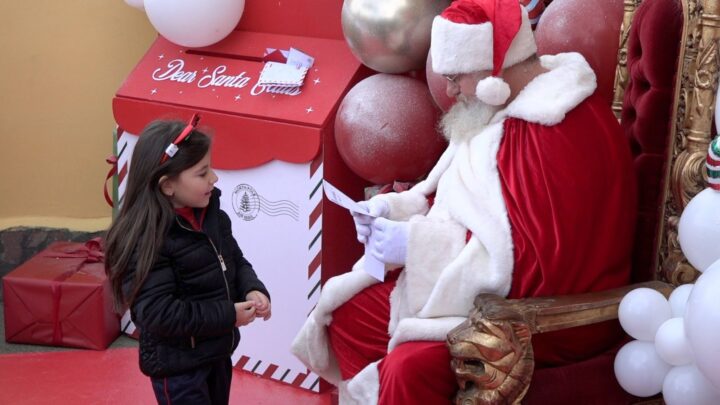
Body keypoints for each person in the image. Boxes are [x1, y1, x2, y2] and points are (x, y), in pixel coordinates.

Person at [292, 0, 637, 403]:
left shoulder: (554, 136)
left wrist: (415, 246)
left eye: (457, 77)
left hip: (537, 320)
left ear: (495, 72)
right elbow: (465, 198)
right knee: (345, 315)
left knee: (408, 367)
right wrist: (397, 209)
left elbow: (530, 268)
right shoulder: (502, 106)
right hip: (474, 291)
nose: (451, 91)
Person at [104, 116, 271, 405]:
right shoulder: (147, 239)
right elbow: (158, 314)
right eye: (202, 173)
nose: (214, 178)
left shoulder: (214, 218)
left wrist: (252, 289)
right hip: (178, 368)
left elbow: (234, 260)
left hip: (216, 352)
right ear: (167, 185)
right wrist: (229, 315)